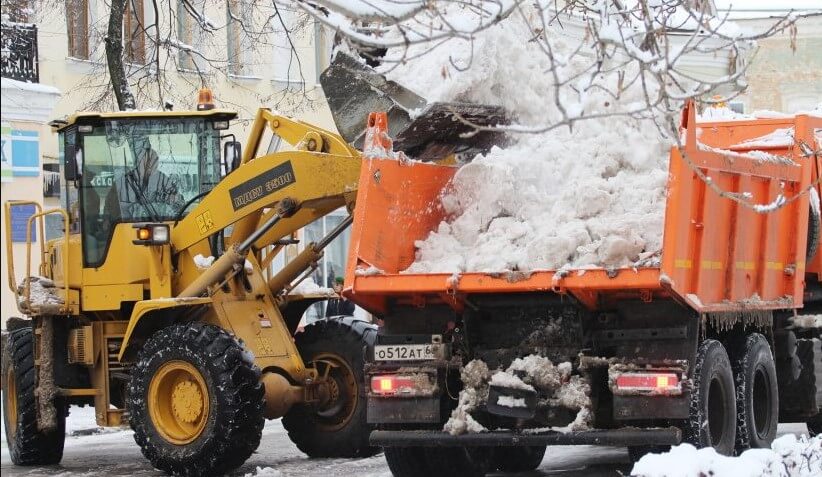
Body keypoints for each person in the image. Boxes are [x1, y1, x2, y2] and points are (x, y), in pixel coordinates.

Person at [104, 145, 182, 220]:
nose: (150, 165)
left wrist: (174, 199)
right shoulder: (122, 184)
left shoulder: (164, 181)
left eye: (153, 161)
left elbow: (179, 205)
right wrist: (107, 220)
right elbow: (108, 209)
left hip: (159, 224)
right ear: (138, 162)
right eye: (146, 162)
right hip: (126, 226)